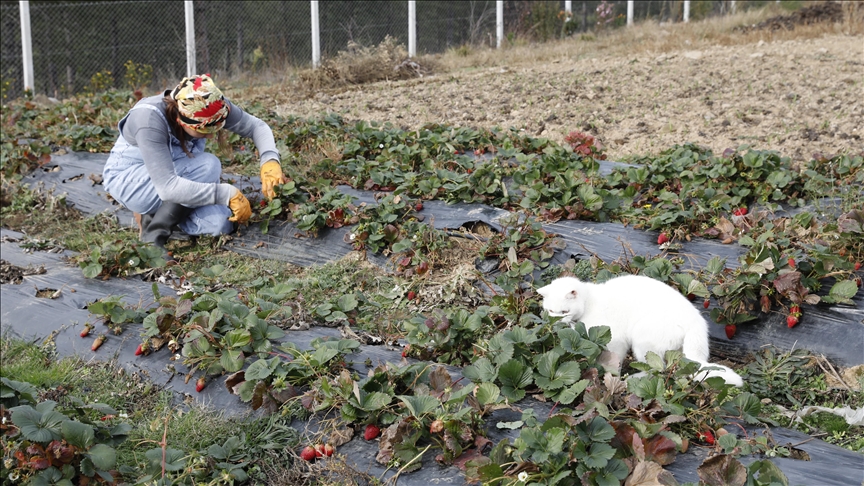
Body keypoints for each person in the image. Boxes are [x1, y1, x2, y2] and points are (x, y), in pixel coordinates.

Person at [102, 74, 287, 259]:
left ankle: (164, 213)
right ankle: (152, 236)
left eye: (215, 129)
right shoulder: (149, 119)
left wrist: (270, 161)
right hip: (132, 180)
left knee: (220, 224)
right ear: (181, 120)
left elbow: (257, 127)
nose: (210, 137)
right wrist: (226, 194)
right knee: (208, 165)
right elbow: (167, 187)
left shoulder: (210, 103)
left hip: (179, 176)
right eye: (203, 131)